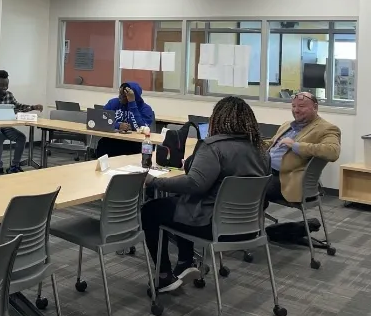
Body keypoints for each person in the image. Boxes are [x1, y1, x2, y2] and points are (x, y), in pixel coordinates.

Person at [140, 96, 268, 292]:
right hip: (249, 227)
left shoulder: (214, 147)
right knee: (180, 204)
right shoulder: (261, 150)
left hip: (213, 225)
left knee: (151, 210)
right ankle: (185, 261)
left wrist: (155, 181)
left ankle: (164, 276)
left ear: (217, 119)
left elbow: (194, 184)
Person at [264, 92, 340, 203]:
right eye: (293, 106)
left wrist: (295, 145)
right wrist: (252, 141)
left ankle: (251, 218)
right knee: (237, 177)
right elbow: (272, 143)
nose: (296, 110)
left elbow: (333, 151)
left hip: (286, 180)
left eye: (301, 106)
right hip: (266, 170)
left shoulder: (327, 128)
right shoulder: (287, 125)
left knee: (250, 187)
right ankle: (252, 217)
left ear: (315, 107)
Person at [0, 70, 43, 175]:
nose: (5, 88)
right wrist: (13, 111)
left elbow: (18, 106)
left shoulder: (9, 95)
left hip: (5, 125)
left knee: (21, 138)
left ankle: (14, 165)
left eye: (6, 85)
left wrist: (33, 107)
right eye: (2, 85)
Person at [95, 82, 156, 158]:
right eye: (120, 94)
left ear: (134, 97)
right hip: (114, 139)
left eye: (123, 96)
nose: (120, 97)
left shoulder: (145, 109)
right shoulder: (113, 103)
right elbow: (99, 120)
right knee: (103, 143)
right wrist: (118, 125)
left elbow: (141, 127)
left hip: (135, 142)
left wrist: (132, 103)